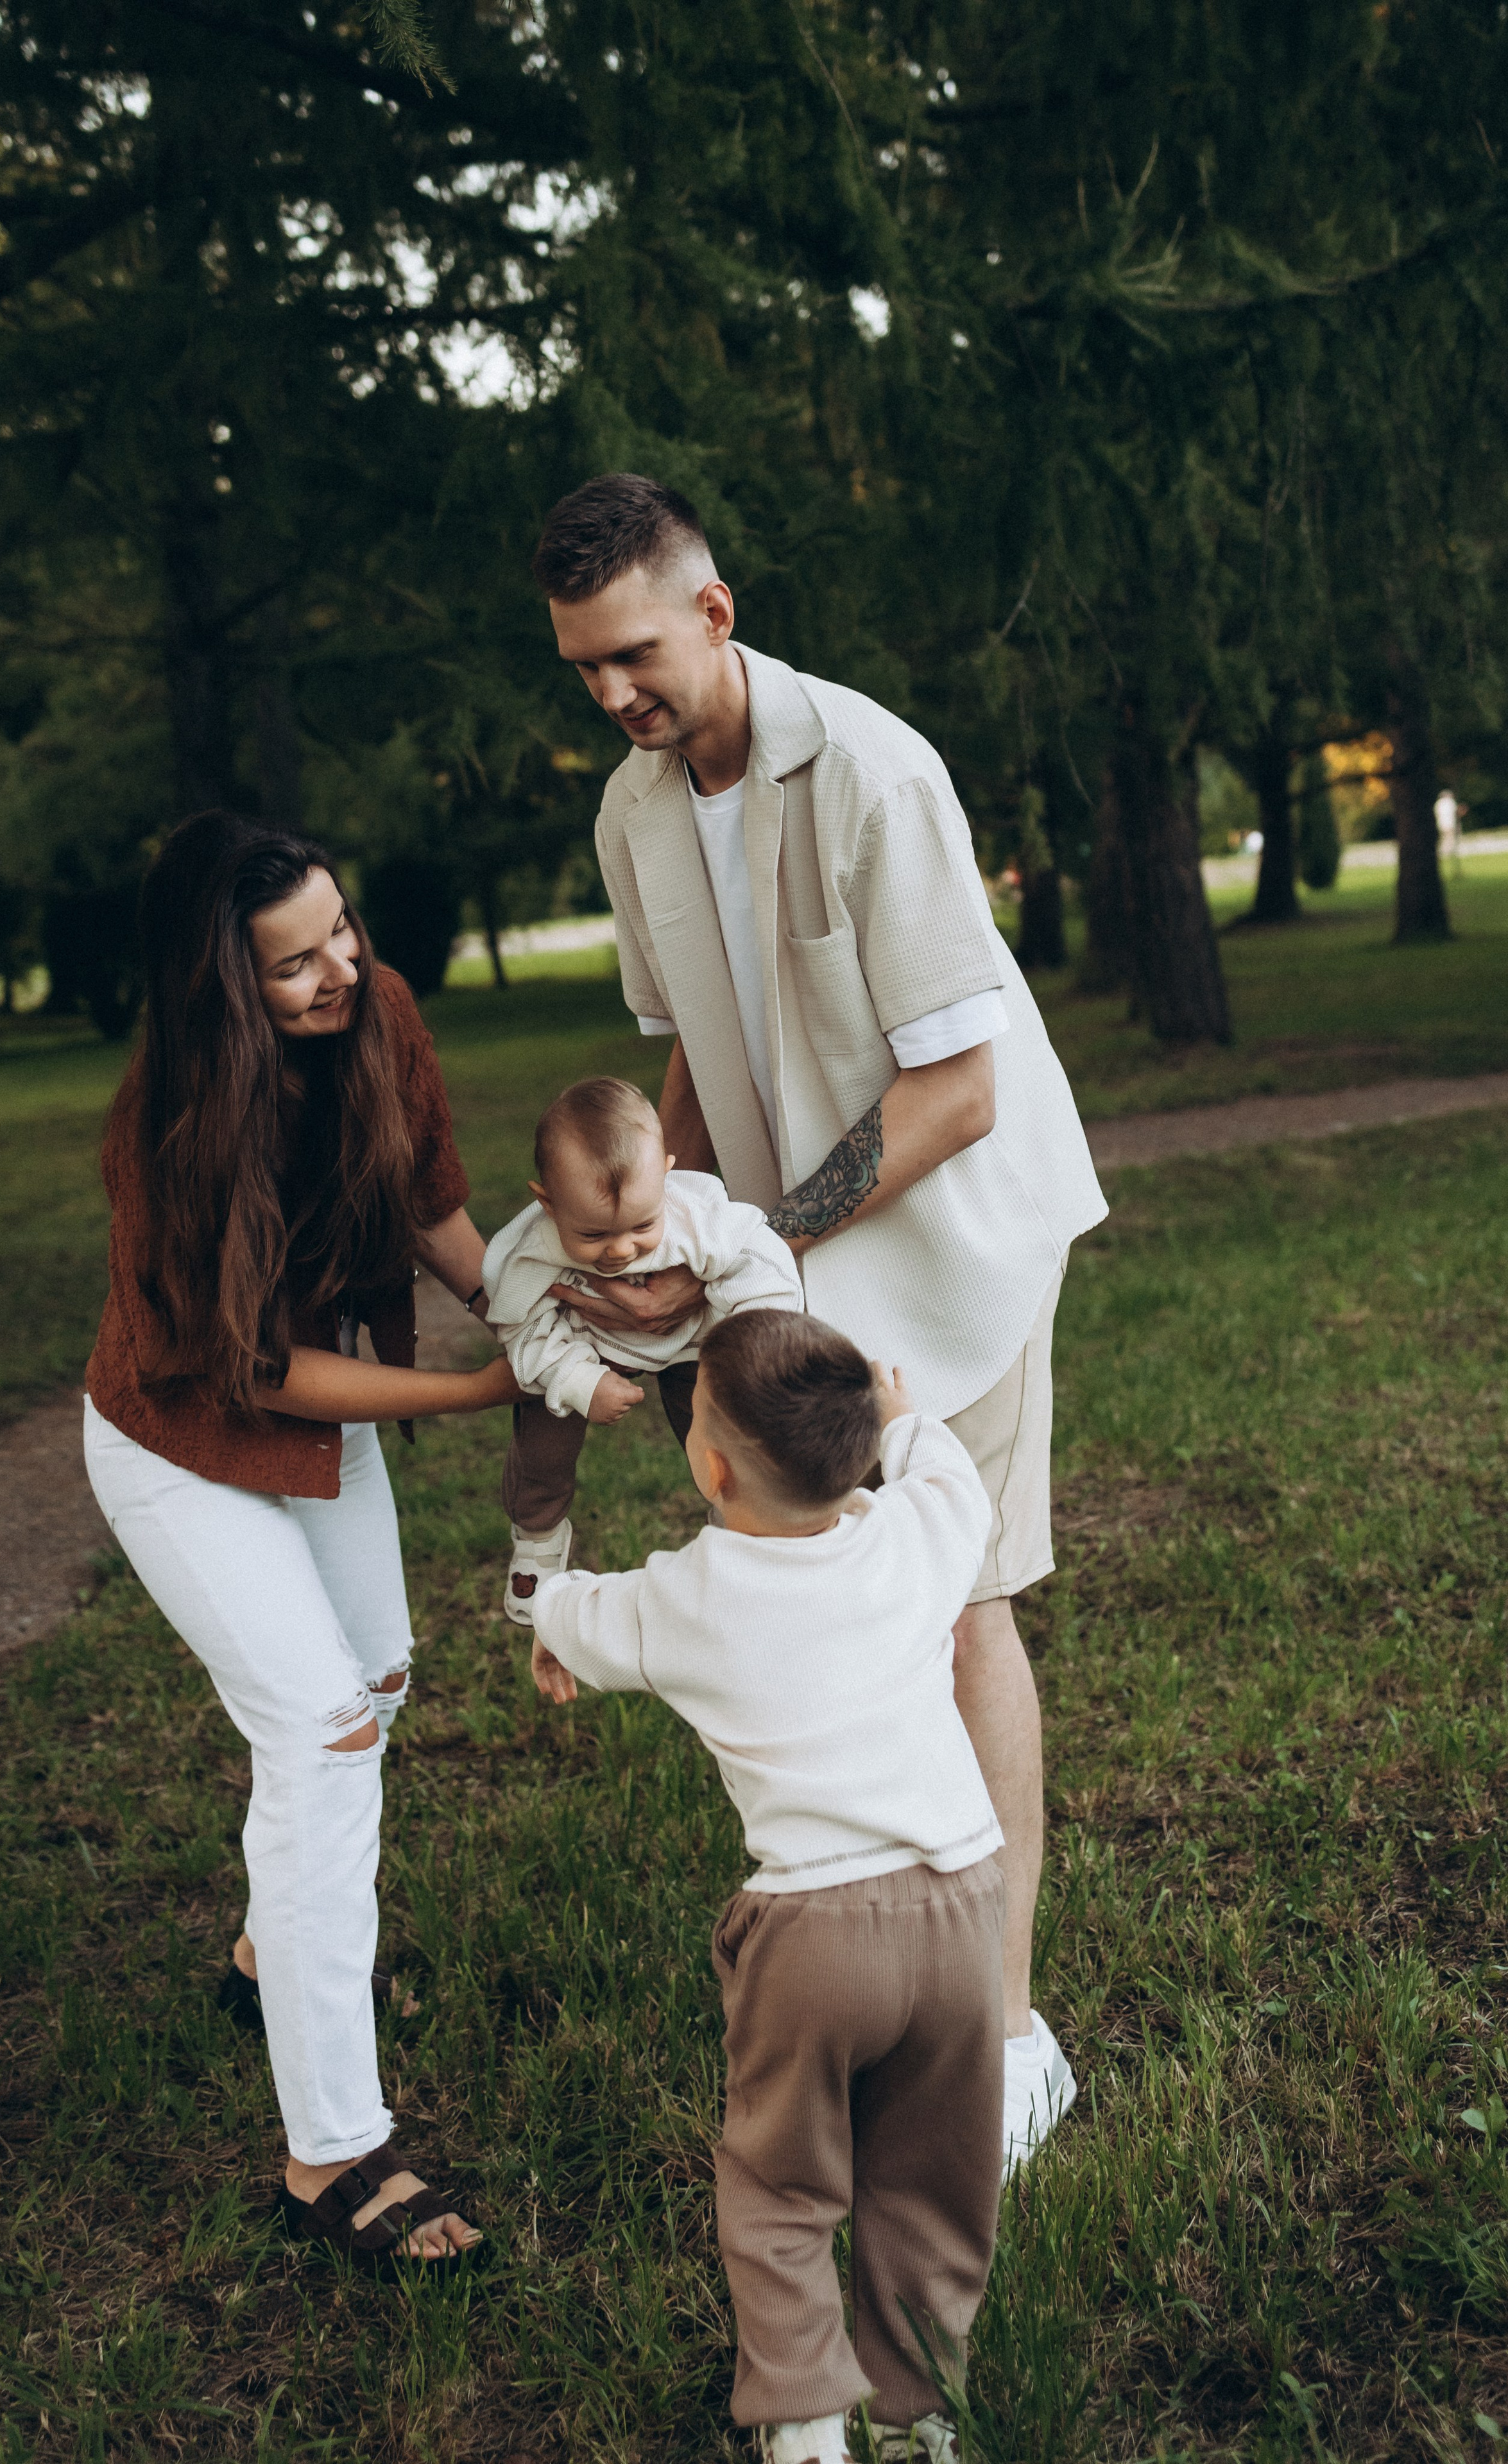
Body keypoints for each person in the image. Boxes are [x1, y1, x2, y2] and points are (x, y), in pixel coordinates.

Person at [531, 472, 1108, 2170]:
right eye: (582, 669)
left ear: (713, 612)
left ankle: (1007, 2042)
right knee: (849, 1618)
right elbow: (697, 1053)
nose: (615, 696)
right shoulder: (634, 817)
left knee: (961, 1611)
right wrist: (667, 1234)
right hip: (807, 1261)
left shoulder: (868, 768)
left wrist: (763, 1239)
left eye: (633, 653)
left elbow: (954, 1092)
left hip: (956, 1246)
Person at [81, 809, 517, 2272]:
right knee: (325, 1729)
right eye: (294, 963)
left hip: (304, 1413)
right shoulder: (173, 1128)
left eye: (342, 929)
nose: (340, 968)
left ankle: (273, 1949)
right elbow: (252, 1371)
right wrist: (467, 1386)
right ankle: (330, 2151)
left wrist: (539, 1319)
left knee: (379, 1679)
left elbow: (433, 1197)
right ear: (217, 987)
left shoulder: (377, 1006)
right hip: (178, 1436)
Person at [529, 1310, 1004, 2464]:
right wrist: (899, 1419)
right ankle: (918, 2415)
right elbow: (946, 1469)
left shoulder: (688, 1596)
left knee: (783, 2184)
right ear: (856, 1453)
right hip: (963, 1912)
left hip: (814, 1932)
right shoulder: (920, 1536)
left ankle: (803, 2423)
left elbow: (580, 1616)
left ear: (713, 1464)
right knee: (936, 2180)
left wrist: (546, 1617)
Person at [483, 1074, 802, 1620]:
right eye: (593, 1236)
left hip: (689, 1342)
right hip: (584, 1340)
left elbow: (761, 1264)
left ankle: (740, 1533)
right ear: (548, 1202)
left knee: (726, 1433)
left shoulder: (695, 1219)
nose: (621, 1250)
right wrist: (580, 1380)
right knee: (543, 1441)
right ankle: (538, 1538)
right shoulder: (530, 1253)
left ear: (668, 1179)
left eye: (641, 1226)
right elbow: (521, 1325)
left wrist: (744, 1344)